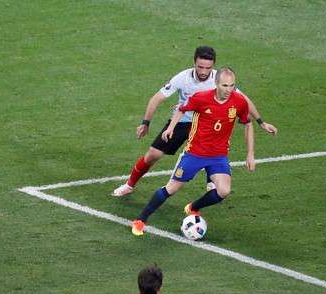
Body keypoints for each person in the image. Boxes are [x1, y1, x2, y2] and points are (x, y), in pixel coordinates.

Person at [111, 46, 276, 197]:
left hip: (207, 124)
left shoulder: (220, 80)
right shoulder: (183, 78)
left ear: (213, 66)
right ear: (194, 63)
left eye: (208, 68)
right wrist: (145, 123)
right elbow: (156, 98)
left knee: (211, 151)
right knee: (153, 154)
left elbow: (244, 100)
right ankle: (130, 184)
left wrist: (261, 122)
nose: (204, 71)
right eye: (200, 67)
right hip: (183, 121)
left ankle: (212, 180)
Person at [130, 67, 256, 236]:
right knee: (171, 188)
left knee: (224, 191)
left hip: (218, 156)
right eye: (225, 85)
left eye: (232, 85)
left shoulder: (238, 101)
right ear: (216, 83)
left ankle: (193, 207)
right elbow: (182, 109)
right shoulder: (201, 98)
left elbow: (248, 123)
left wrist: (250, 154)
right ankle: (140, 219)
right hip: (195, 153)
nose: (229, 90)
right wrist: (171, 129)